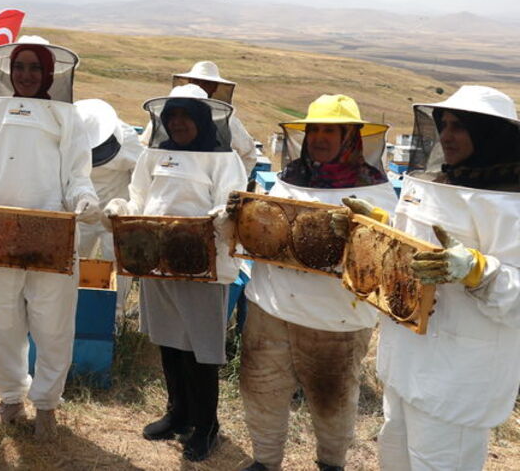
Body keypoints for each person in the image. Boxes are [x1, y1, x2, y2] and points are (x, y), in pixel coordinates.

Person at [344, 85, 520, 470]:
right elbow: (414, 247)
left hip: (459, 374)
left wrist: (477, 270)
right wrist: (381, 228)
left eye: (459, 126)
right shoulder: (432, 182)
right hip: (405, 357)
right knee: (395, 454)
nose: (445, 136)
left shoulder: (513, 203)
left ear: (491, 134)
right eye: (444, 124)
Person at [0, 37, 100, 440]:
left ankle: (47, 405)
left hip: (52, 235)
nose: (27, 75)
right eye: (21, 67)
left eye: (35, 67)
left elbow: (77, 174)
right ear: (7, 71)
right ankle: (11, 398)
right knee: (3, 322)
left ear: (49, 72)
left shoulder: (66, 115)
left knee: (53, 325)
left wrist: (84, 198)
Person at [233, 94, 396, 471]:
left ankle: (330, 463)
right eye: (314, 129)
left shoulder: (376, 192)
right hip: (270, 306)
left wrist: (366, 228)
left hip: (334, 319)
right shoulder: (289, 179)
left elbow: (387, 253)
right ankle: (265, 460)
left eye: (330, 130)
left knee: (332, 400)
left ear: (351, 137)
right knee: (260, 390)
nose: (319, 137)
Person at [103, 84, 246, 462]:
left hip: (205, 268)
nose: (178, 123)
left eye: (186, 115)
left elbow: (231, 209)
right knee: (169, 342)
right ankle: (178, 414)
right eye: (172, 116)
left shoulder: (225, 160)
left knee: (200, 352)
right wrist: (121, 209)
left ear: (202, 119)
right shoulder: (154, 155)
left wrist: (221, 219)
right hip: (157, 262)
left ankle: (206, 426)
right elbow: (138, 198)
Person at [74, 98, 142, 317]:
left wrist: (129, 211)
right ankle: (75, 307)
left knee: (118, 262)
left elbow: (140, 179)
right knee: (74, 259)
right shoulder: (71, 137)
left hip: (114, 214)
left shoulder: (128, 138)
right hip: (82, 210)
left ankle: (116, 313)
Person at [139, 61, 259, 176]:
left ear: (215, 87)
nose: (200, 86)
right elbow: (144, 145)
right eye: (196, 82)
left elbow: (248, 155)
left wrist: (236, 184)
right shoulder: (166, 118)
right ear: (189, 82)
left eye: (207, 83)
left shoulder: (230, 123)